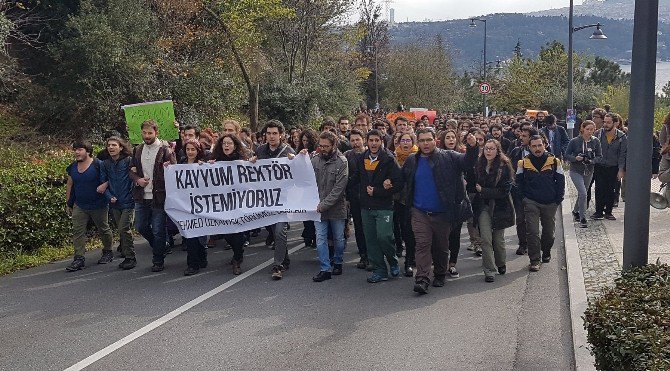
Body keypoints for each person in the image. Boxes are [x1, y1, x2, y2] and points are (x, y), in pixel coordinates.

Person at [401, 128, 478, 294]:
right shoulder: (411, 161)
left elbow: (468, 162)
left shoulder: (449, 156)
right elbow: (401, 180)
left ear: (435, 140)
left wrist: (473, 147)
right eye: (422, 141)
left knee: (441, 246)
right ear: (417, 142)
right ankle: (422, 278)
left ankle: (440, 273)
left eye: (428, 140)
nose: (425, 144)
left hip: (443, 212)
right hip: (419, 212)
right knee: (422, 245)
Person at [351, 129, 403, 283]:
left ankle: (393, 261)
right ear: (367, 141)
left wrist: (379, 191)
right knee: (371, 240)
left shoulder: (388, 158)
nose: (374, 143)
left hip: (384, 206)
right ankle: (379, 270)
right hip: (366, 207)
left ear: (382, 141)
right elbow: (355, 178)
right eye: (371, 140)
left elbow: (399, 183)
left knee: (384, 236)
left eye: (377, 140)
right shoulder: (362, 158)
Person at [251, 120, 296, 280]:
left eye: (274, 133)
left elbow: (296, 173)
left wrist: (295, 161)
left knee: (279, 231)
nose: (271, 136)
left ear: (281, 135)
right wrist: (252, 163)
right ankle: (285, 259)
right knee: (275, 232)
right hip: (267, 200)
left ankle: (278, 265)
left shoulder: (288, 151)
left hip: (283, 200)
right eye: (268, 133)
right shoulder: (260, 150)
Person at [129, 120, 176, 272]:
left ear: (156, 132)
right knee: (140, 226)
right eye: (144, 133)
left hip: (159, 197)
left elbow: (175, 172)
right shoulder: (137, 150)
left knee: (158, 229)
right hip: (142, 196)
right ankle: (162, 245)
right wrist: (138, 180)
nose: (147, 136)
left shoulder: (165, 150)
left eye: (150, 133)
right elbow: (131, 171)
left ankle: (158, 260)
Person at [516, 135, 565, 272]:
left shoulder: (555, 161)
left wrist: (558, 199)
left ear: (545, 145)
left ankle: (546, 251)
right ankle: (534, 260)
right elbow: (518, 182)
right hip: (531, 201)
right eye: (534, 146)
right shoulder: (523, 163)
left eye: (539, 145)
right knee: (532, 232)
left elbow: (561, 181)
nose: (537, 149)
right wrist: (523, 198)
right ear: (529, 147)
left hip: (550, 202)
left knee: (549, 233)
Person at [65, 140, 114, 271]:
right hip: (80, 205)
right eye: (75, 149)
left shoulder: (99, 164)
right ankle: (79, 259)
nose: (76, 152)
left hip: (99, 204)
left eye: (80, 149)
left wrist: (105, 186)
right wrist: (68, 202)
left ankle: (108, 251)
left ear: (88, 151)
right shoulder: (73, 167)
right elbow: (70, 184)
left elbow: (112, 178)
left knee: (103, 229)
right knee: (78, 232)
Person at [206, 134, 251, 275]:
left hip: (239, 203)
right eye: (224, 143)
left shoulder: (242, 161)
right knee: (227, 234)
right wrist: (205, 166)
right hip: (222, 204)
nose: (226, 146)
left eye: (229, 143)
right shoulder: (215, 161)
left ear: (235, 145)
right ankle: (239, 250)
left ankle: (237, 259)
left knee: (237, 233)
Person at [472, 139, 515, 282]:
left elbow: (504, 191)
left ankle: (501, 263)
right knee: (485, 238)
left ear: (497, 151)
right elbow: (474, 184)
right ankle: (489, 270)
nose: (488, 151)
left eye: (491, 149)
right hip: (483, 206)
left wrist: (483, 190)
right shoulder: (479, 164)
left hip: (500, 207)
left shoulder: (504, 166)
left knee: (498, 239)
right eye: (486, 149)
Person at [308, 131, 348, 282]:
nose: (323, 149)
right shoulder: (315, 160)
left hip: (336, 208)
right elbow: (304, 177)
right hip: (318, 208)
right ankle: (325, 268)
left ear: (334, 146)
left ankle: (338, 261)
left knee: (338, 238)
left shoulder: (342, 162)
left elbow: (339, 188)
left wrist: (324, 205)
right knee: (320, 238)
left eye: (326, 146)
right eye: (321, 146)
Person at [100, 136, 137, 269]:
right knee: (121, 230)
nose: (110, 147)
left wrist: (133, 194)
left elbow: (135, 178)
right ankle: (126, 252)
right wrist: (109, 196)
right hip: (115, 203)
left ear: (121, 147)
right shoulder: (105, 164)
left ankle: (130, 257)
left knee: (124, 228)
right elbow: (103, 183)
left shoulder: (128, 161)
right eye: (109, 145)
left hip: (128, 201)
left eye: (114, 145)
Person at [177, 140, 210, 275]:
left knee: (200, 234)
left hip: (201, 205)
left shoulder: (202, 164)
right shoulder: (180, 165)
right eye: (188, 149)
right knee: (190, 234)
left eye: (193, 150)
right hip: (186, 205)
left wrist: (206, 167)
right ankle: (192, 264)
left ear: (198, 151)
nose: (190, 152)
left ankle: (202, 256)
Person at [565, 121, 602, 228]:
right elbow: (567, 155)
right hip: (576, 170)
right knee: (583, 193)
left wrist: (592, 160)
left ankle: (575, 210)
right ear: (583, 129)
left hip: (589, 170)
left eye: (592, 129)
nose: (590, 132)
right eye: (588, 129)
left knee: (583, 193)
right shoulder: (574, 141)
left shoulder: (596, 142)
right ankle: (583, 218)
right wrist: (575, 158)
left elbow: (600, 156)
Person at [509, 125, 539, 256]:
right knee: (520, 218)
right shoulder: (516, 151)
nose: (521, 138)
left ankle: (535, 244)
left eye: (524, 136)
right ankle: (523, 244)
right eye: (520, 135)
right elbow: (509, 167)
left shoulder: (540, 152)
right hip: (518, 191)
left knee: (533, 219)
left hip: (535, 191)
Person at [591, 113, 627, 221]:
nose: (605, 125)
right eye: (604, 122)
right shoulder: (597, 134)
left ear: (615, 123)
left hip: (613, 167)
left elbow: (622, 154)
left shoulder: (621, 137)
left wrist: (621, 170)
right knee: (599, 189)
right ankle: (598, 212)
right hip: (600, 166)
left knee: (611, 190)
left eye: (608, 122)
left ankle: (608, 212)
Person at [393, 131, 418, 276]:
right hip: (399, 200)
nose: (406, 143)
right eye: (403, 140)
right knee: (404, 230)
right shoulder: (393, 157)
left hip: (416, 200)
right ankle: (407, 258)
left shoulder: (419, 158)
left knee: (413, 232)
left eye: (409, 140)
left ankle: (411, 259)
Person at [344, 129, 369, 269]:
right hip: (354, 198)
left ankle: (373, 256)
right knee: (359, 228)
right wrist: (347, 197)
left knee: (371, 229)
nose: (355, 143)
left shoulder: (371, 154)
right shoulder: (347, 156)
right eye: (352, 140)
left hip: (371, 198)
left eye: (357, 140)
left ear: (363, 139)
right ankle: (364, 256)